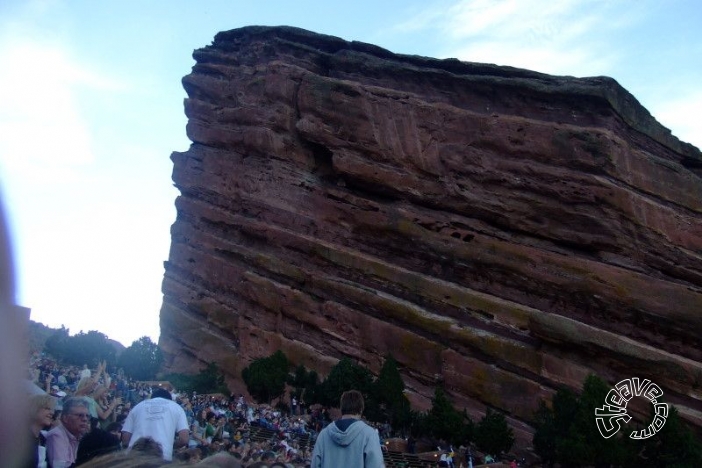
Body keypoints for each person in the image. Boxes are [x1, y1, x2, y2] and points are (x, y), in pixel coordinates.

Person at [310, 390, 384, 468]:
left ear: (341, 408)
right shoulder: (369, 435)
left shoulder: (324, 434)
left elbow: (315, 464)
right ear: (361, 409)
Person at [120, 387, 189, 461]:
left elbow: (125, 436)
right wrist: (170, 446)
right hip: (161, 456)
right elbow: (184, 439)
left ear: (152, 398)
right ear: (170, 399)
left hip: (134, 455)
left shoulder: (137, 407)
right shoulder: (176, 407)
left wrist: (130, 448)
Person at [46, 397, 91, 468]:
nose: (85, 419)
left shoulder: (79, 437)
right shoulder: (57, 435)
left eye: (87, 416)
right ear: (65, 418)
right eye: (80, 415)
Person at [25, 393, 56, 468]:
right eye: (47, 408)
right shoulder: (20, 437)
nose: (52, 413)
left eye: (52, 409)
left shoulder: (42, 438)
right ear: (34, 409)